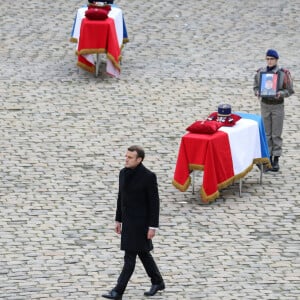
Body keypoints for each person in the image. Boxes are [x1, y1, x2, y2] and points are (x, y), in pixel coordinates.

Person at [102, 145, 165, 300]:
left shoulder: (148, 176)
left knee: (129, 258)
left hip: (141, 225)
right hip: (128, 223)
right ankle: (158, 281)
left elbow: (154, 203)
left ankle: (118, 291)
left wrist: (152, 227)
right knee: (143, 253)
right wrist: (118, 219)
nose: (126, 159)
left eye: (130, 157)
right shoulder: (123, 173)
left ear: (139, 159)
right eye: (126, 156)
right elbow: (120, 198)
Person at [253, 49, 294, 172]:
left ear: (276, 60)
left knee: (276, 133)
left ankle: (276, 158)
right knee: (266, 133)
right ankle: (267, 158)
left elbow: (289, 90)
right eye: (268, 59)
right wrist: (257, 92)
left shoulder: (283, 74)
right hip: (265, 105)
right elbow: (255, 86)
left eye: (272, 59)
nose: (270, 61)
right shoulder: (261, 73)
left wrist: (280, 94)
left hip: (277, 105)